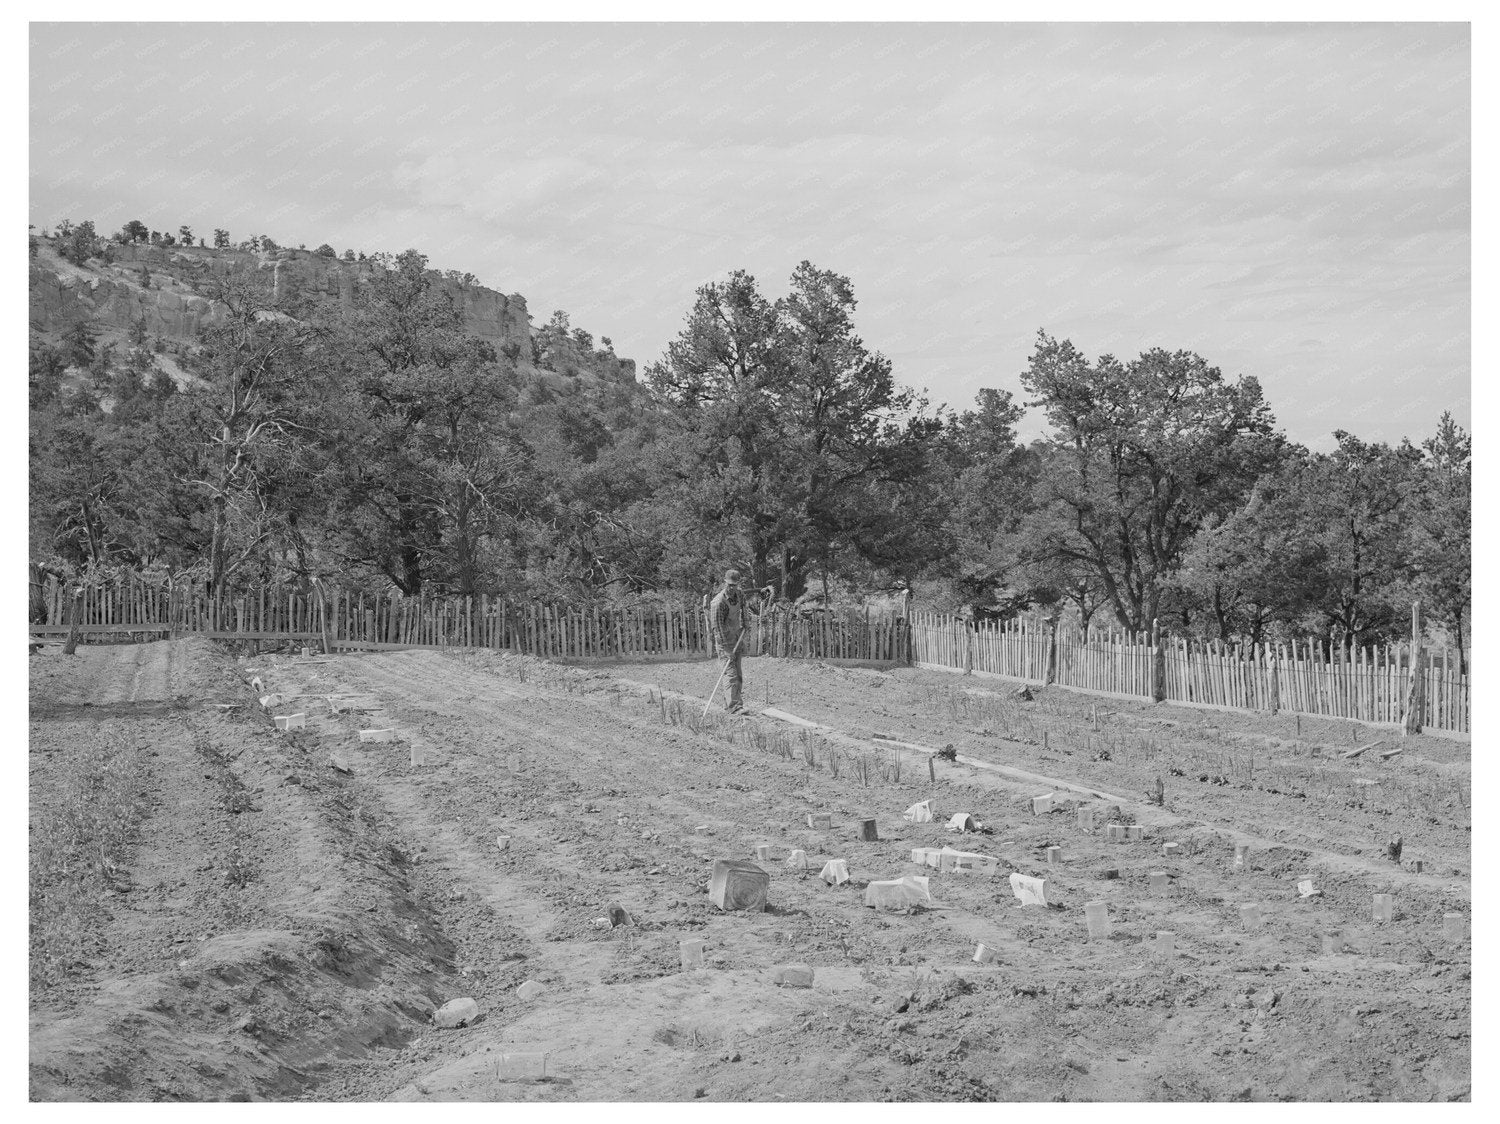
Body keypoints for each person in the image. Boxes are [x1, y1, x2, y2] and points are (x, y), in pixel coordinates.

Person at [709, 569, 749, 712]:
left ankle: (729, 704)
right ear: (725, 582)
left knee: (738, 674)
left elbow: (744, 608)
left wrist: (746, 623)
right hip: (724, 640)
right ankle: (735, 707)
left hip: (736, 636)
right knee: (730, 674)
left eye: (735, 585)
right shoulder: (718, 602)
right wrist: (726, 649)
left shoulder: (740, 594)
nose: (732, 588)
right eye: (730, 585)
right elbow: (717, 629)